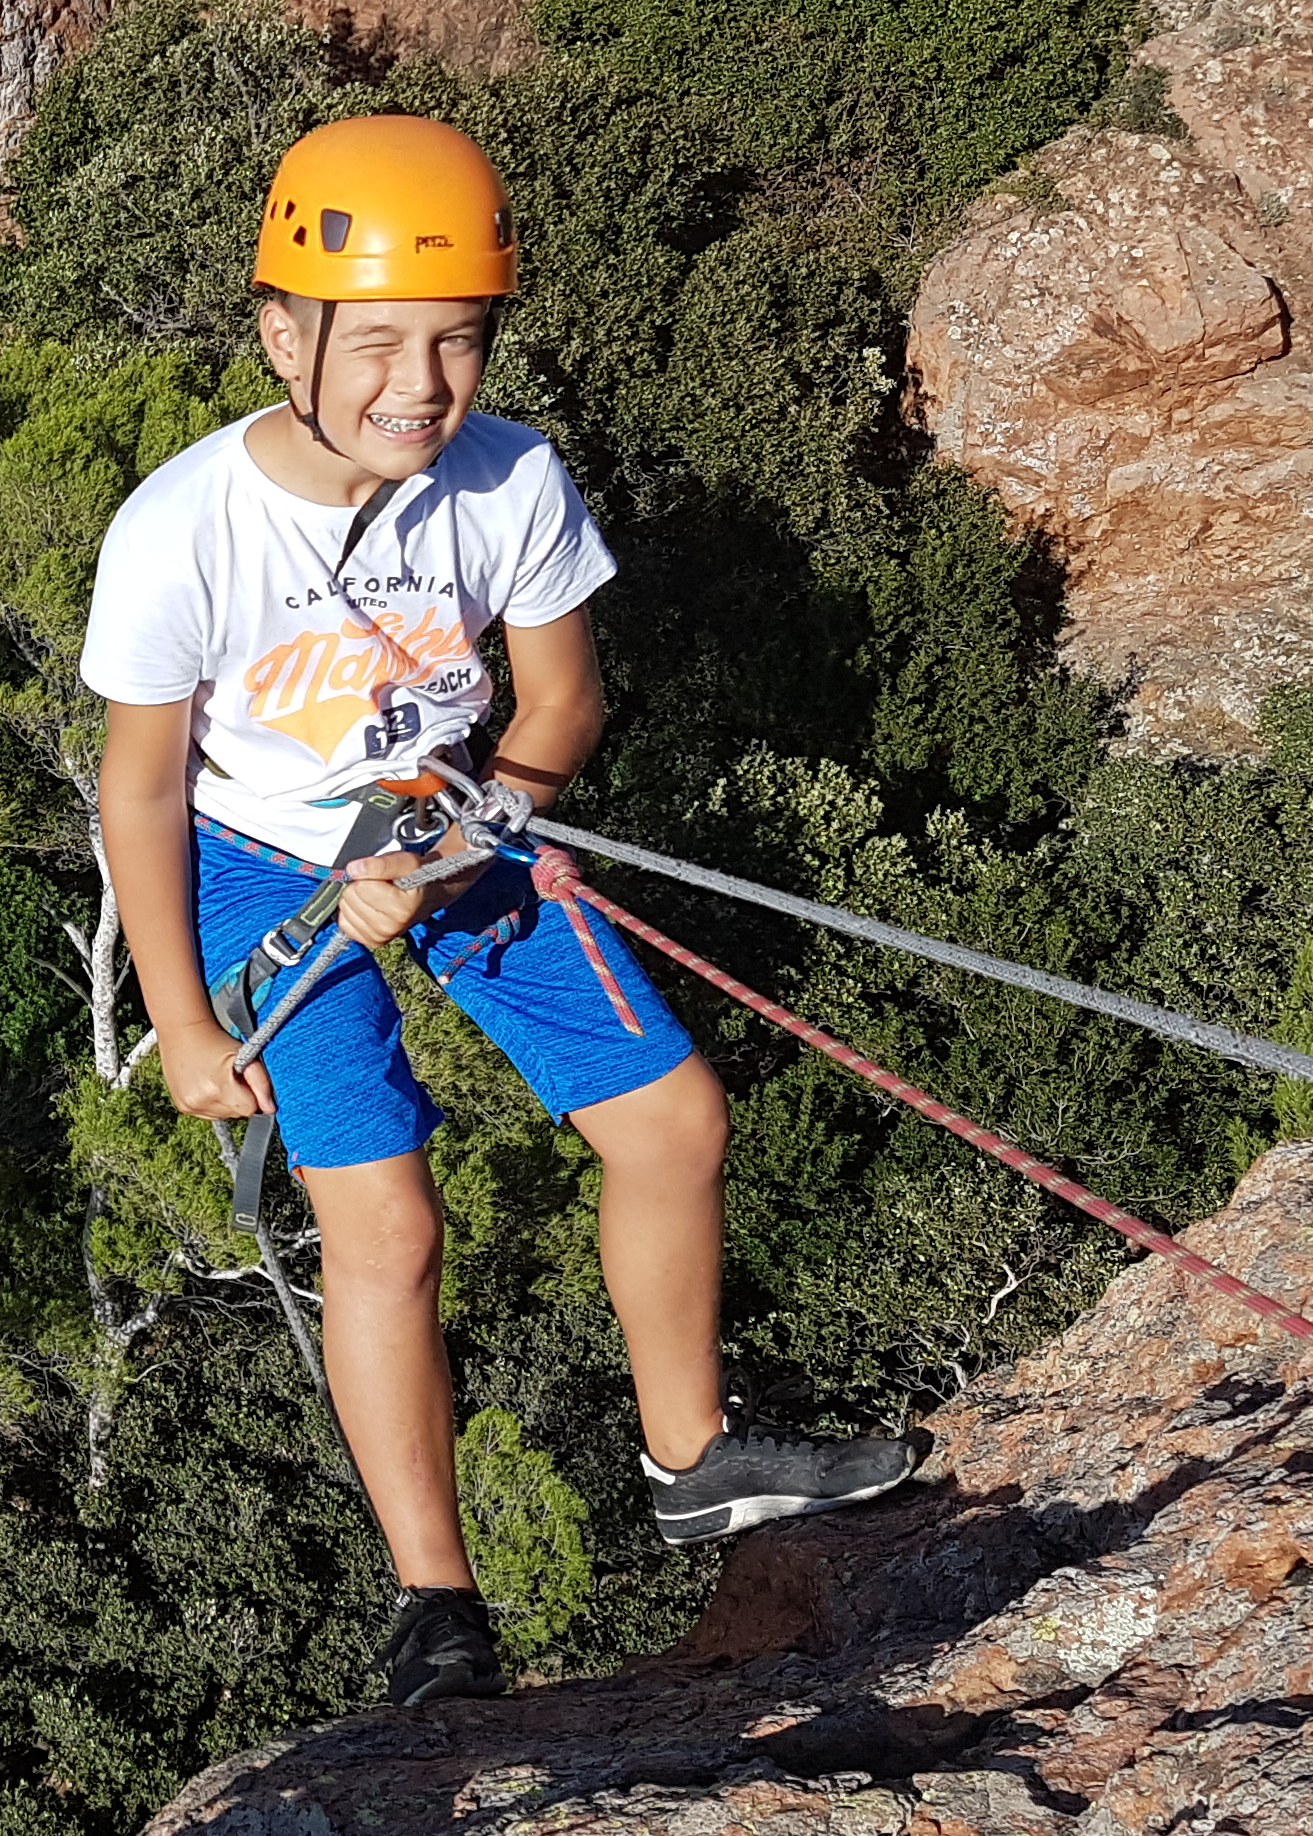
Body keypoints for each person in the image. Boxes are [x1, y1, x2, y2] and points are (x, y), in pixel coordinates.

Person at [80, 115, 914, 1707]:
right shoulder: (178, 532)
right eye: (376, 341)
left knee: (672, 1123)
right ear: (283, 336)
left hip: (460, 816)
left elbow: (563, 704)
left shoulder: (511, 476)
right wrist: (185, 1025)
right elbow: (139, 791)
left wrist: (471, 835)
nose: (419, 385)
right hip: (263, 866)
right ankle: (435, 1606)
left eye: (455, 342)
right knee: (385, 1226)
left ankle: (694, 1457)